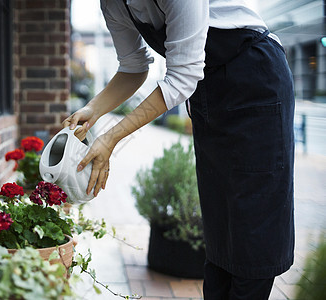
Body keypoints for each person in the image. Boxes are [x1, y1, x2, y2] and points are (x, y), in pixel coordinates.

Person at [62, 1, 295, 299]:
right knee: (219, 226)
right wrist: (92, 110)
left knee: (254, 225)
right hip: (211, 92)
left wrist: (110, 137)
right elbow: (133, 67)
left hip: (256, 84)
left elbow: (182, 76)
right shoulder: (112, 3)